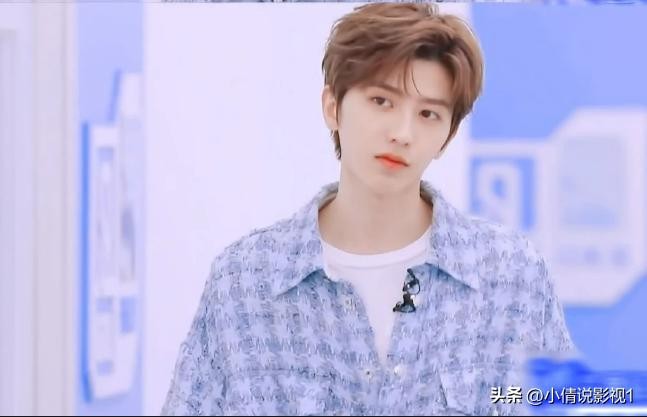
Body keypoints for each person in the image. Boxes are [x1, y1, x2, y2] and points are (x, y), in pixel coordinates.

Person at [161, 3, 576, 415]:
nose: (402, 133)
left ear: (447, 136)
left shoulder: (510, 275)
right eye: (381, 101)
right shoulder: (246, 281)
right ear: (332, 107)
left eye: (428, 114)